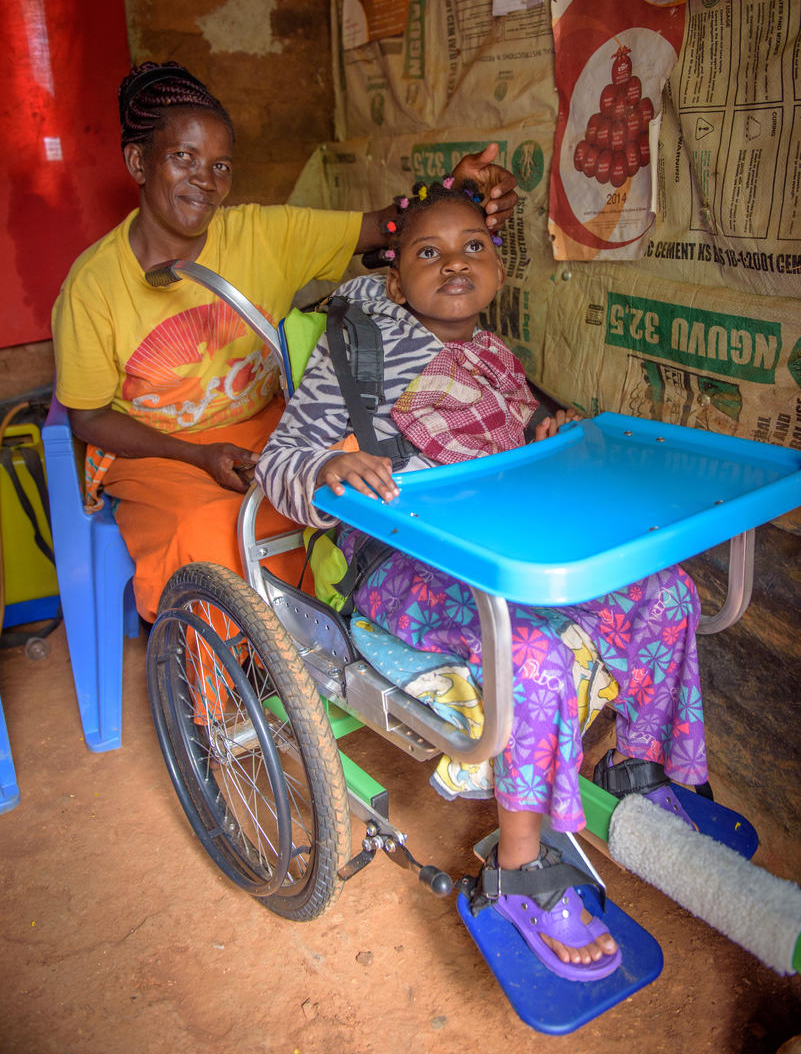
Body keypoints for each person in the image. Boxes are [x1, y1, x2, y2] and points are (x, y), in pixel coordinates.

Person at [257, 178, 708, 982]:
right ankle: (522, 871)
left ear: (497, 266)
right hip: (413, 566)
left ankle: (635, 768)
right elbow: (278, 461)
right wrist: (331, 462)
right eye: (428, 253)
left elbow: (515, 435)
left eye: (474, 246)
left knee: (668, 592)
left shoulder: (497, 354)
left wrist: (545, 427)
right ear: (397, 280)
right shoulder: (360, 355)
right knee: (529, 659)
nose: (455, 264)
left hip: (523, 548)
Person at [50, 62, 518, 622]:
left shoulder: (260, 233)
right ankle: (233, 685)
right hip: (157, 448)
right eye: (183, 158)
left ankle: (337, 652)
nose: (205, 179)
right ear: (138, 162)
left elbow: (390, 228)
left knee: (352, 492)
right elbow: (88, 417)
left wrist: (456, 189)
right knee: (207, 528)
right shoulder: (92, 284)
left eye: (220, 165)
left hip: (265, 425)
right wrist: (198, 454)